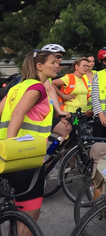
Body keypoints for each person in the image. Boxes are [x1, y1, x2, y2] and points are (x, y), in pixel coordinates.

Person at [0, 49, 57, 223]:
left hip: (6, 156)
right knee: (29, 216)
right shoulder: (37, 87)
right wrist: (12, 145)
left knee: (13, 211)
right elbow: (18, 113)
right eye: (53, 62)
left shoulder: (17, 87)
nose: (57, 65)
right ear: (39, 66)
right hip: (25, 156)